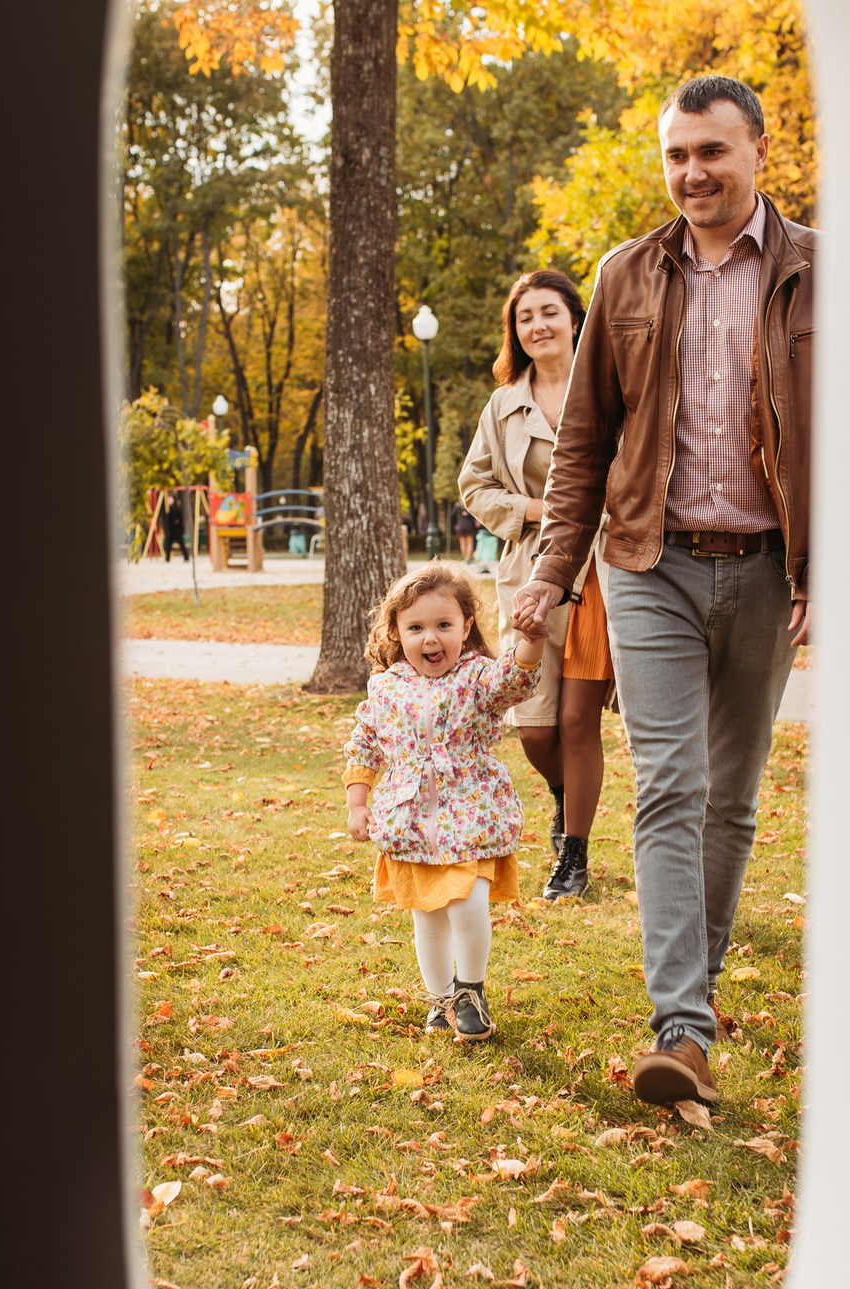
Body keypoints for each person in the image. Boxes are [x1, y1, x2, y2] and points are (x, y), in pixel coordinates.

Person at [509, 73, 814, 1111]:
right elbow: (584, 441)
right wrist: (552, 575)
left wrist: (833, 568)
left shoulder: (823, 272)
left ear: (758, 151)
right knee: (671, 786)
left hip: (770, 568)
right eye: (677, 154)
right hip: (649, 562)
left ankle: (702, 981)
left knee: (731, 795)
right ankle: (681, 1025)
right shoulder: (625, 275)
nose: (692, 172)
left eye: (712, 152)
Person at [456, 268, 616, 902]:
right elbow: (475, 486)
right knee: (535, 729)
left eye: (549, 312)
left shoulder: (610, 384)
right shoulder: (504, 404)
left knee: (578, 721)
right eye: (525, 318)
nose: (538, 325)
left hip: (602, 572)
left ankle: (573, 855)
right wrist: (535, 511)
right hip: (530, 574)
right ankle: (563, 796)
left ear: (575, 318)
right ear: (515, 332)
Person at [341, 565, 547, 1043]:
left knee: (469, 906)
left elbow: (515, 678)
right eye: (415, 628)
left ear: (465, 627)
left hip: (468, 815)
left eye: (443, 626)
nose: (430, 639)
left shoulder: (476, 678)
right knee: (428, 918)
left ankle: (469, 992)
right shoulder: (387, 687)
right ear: (396, 632)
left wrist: (531, 640)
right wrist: (358, 802)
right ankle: (438, 1001)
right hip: (410, 822)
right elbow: (365, 743)